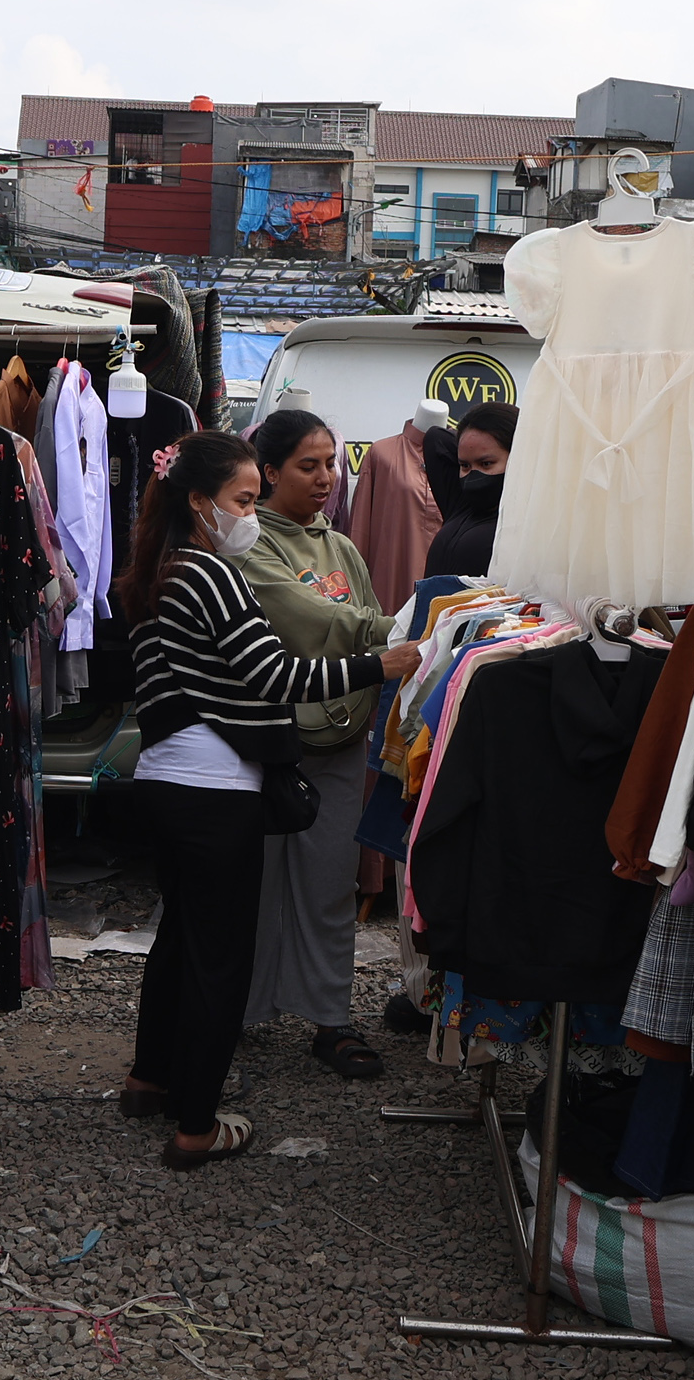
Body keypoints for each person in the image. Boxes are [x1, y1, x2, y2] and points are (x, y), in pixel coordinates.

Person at [111, 432, 421, 1170]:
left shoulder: (157, 572)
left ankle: (149, 1080)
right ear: (199, 501)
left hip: (164, 780)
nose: (250, 516)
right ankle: (197, 1125)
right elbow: (280, 676)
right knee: (220, 959)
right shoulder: (212, 574)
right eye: (243, 501)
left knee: (180, 939)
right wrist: (382, 665)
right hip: (216, 791)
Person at [237, 410, 398, 1078]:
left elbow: (362, 617)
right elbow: (308, 617)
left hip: (341, 741)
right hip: (271, 743)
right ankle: (241, 1013)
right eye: (309, 465)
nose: (327, 477)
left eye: (331, 463)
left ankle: (331, 1018)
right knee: (256, 885)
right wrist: (403, 632)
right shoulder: (251, 545)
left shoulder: (342, 547)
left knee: (332, 883)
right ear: (270, 472)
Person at [423, 402, 518, 578]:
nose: (474, 475)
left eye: (486, 464)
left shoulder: (528, 523)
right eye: (465, 465)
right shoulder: (460, 505)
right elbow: (436, 438)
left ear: (518, 458)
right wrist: (471, 428)